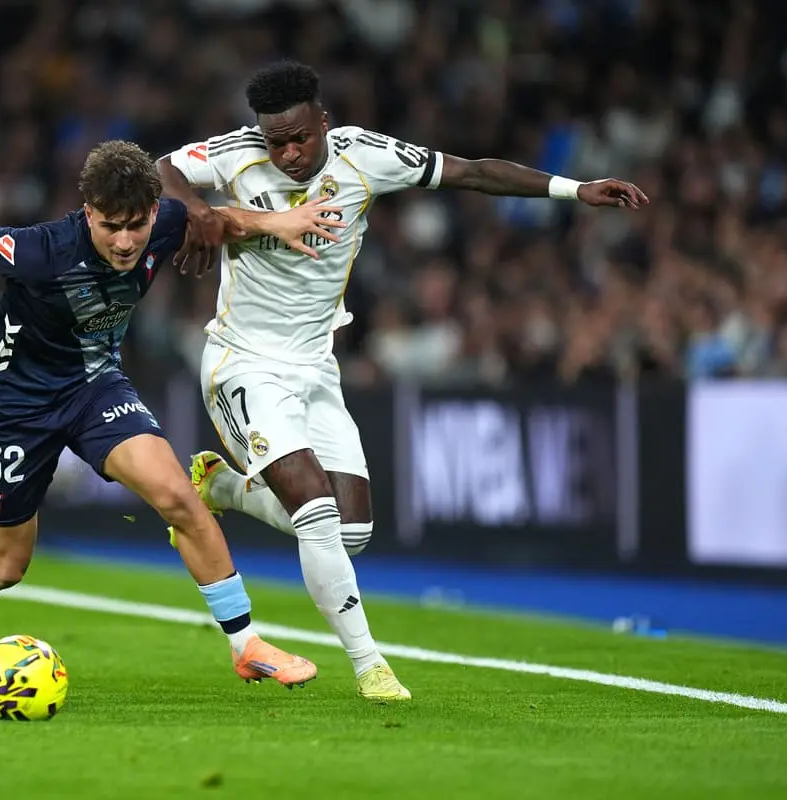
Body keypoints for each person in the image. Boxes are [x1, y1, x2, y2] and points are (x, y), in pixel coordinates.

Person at [157, 61, 650, 702]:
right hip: (243, 362)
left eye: (300, 138)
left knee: (352, 532)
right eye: (276, 142)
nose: (288, 153)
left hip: (316, 367)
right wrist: (195, 207)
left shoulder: (365, 156)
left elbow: (472, 172)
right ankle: (370, 666)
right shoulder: (237, 154)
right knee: (315, 511)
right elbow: (161, 168)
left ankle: (223, 486)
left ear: (323, 123)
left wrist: (574, 190)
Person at [0, 140, 347, 693]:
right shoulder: (42, 250)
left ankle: (246, 645)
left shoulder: (166, 222)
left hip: (95, 387)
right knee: (4, 567)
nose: (125, 242)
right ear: (89, 213)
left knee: (177, 496)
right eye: (111, 227)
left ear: (153, 212)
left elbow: (218, 220)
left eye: (136, 226)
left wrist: (280, 222)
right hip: (13, 406)